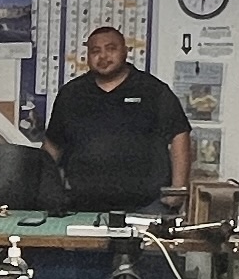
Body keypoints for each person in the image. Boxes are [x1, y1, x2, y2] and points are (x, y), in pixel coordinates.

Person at [42, 26, 193, 211]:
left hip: (146, 205)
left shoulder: (152, 90)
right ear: (88, 57)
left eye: (111, 49)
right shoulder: (71, 94)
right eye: (95, 51)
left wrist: (177, 191)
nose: (103, 56)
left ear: (125, 51)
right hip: (82, 206)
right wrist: (46, 193)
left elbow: (179, 135)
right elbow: (52, 146)